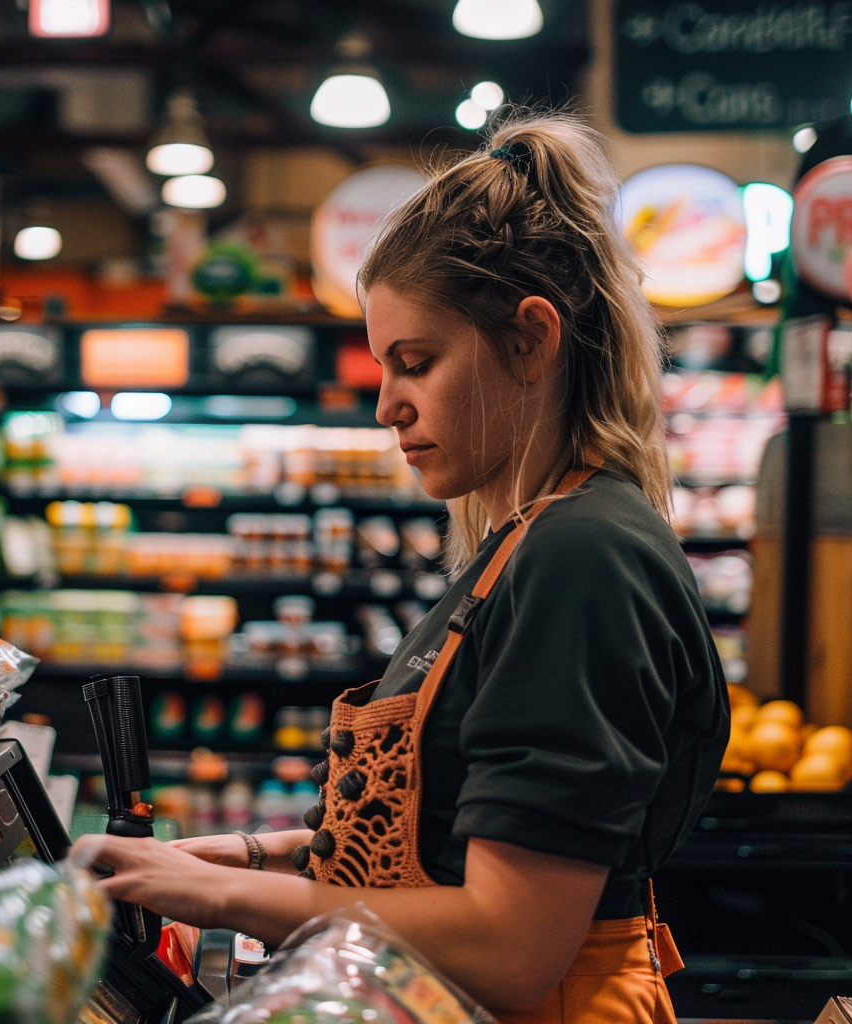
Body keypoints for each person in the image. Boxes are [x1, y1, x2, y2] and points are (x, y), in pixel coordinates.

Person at [70, 107, 730, 1024]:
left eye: (415, 364)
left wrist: (211, 896)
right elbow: (447, 839)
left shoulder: (583, 557)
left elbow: (510, 944)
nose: (387, 407)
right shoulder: (529, 539)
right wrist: (237, 855)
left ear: (532, 339)